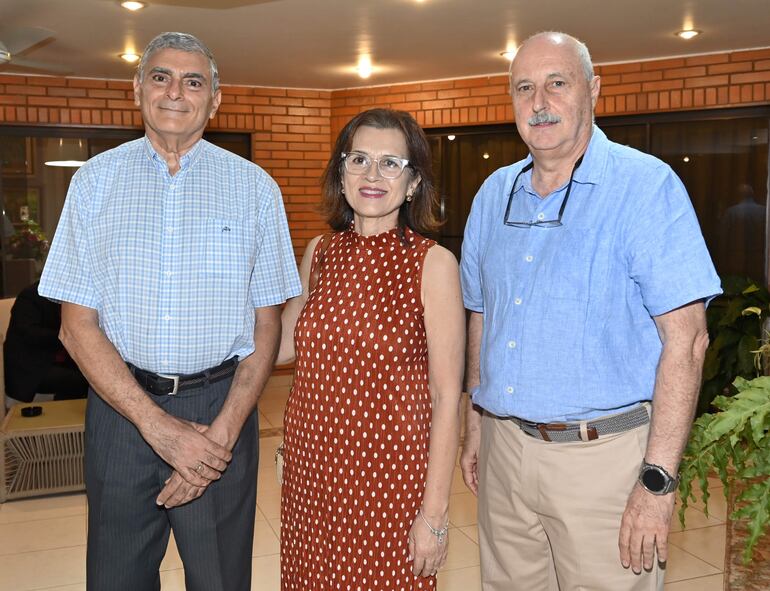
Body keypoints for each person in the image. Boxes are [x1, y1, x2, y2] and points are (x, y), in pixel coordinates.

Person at [459, 32, 722, 591]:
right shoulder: (492, 194)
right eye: (524, 87)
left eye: (557, 83)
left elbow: (688, 341)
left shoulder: (646, 188)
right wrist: (475, 422)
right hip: (504, 457)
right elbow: (482, 315)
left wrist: (657, 481)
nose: (539, 102)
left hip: (605, 461)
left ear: (593, 90)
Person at [39, 32, 300, 591]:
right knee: (116, 578)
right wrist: (157, 428)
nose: (175, 92)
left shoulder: (255, 189)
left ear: (215, 97)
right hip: (120, 411)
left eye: (193, 80)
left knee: (219, 578)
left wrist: (221, 436)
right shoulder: (93, 184)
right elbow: (75, 324)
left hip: (220, 409)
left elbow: (267, 324)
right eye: (160, 76)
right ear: (137, 89)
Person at [277, 108, 464, 590]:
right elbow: (280, 349)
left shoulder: (433, 264)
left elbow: (447, 398)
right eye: (359, 158)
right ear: (341, 174)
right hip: (312, 476)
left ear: (414, 182)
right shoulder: (319, 252)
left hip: (388, 482)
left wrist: (435, 514)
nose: (373, 174)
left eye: (390, 163)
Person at [4, 280, 88, 404]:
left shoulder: (70, 299)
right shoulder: (30, 296)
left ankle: (63, 414)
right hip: (31, 366)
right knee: (83, 380)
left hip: (59, 362)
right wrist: (66, 335)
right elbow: (29, 333)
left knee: (91, 374)